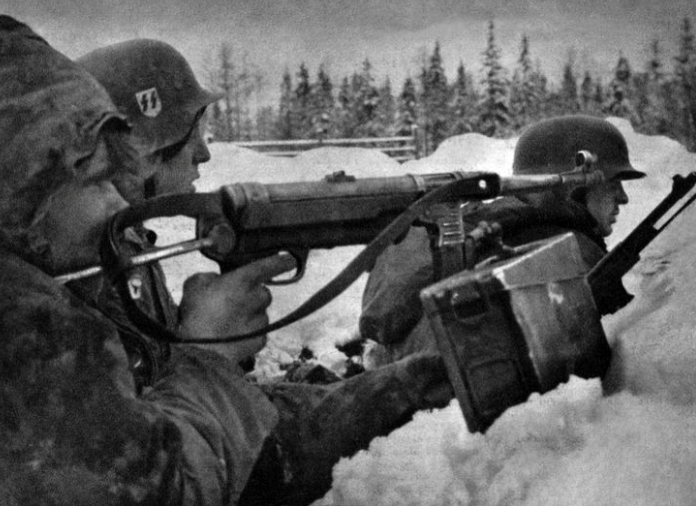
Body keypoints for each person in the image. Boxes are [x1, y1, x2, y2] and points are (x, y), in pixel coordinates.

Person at [0, 17, 453, 505]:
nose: (204, 154)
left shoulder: (102, 264)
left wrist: (403, 389)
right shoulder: (31, 320)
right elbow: (155, 484)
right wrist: (208, 355)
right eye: (97, 178)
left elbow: (169, 420)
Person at [360, 114, 646, 364]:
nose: (623, 197)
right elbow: (630, 347)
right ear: (577, 185)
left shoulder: (498, 222)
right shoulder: (568, 251)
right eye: (613, 183)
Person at [75, 40, 221, 388]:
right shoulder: (88, 271)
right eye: (191, 134)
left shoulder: (127, 240)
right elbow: (138, 416)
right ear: (148, 149)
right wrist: (212, 352)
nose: (203, 154)